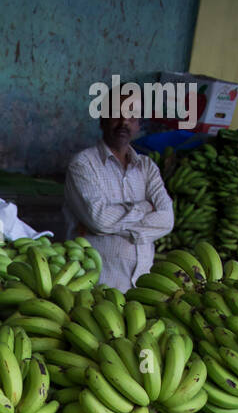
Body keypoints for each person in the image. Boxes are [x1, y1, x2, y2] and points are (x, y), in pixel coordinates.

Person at [63, 112, 174, 292]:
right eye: (116, 114)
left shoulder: (147, 168)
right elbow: (99, 220)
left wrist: (112, 225)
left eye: (131, 117)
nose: (124, 122)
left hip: (140, 287)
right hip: (94, 285)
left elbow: (166, 220)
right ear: (103, 120)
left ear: (138, 124)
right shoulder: (83, 164)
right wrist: (145, 207)